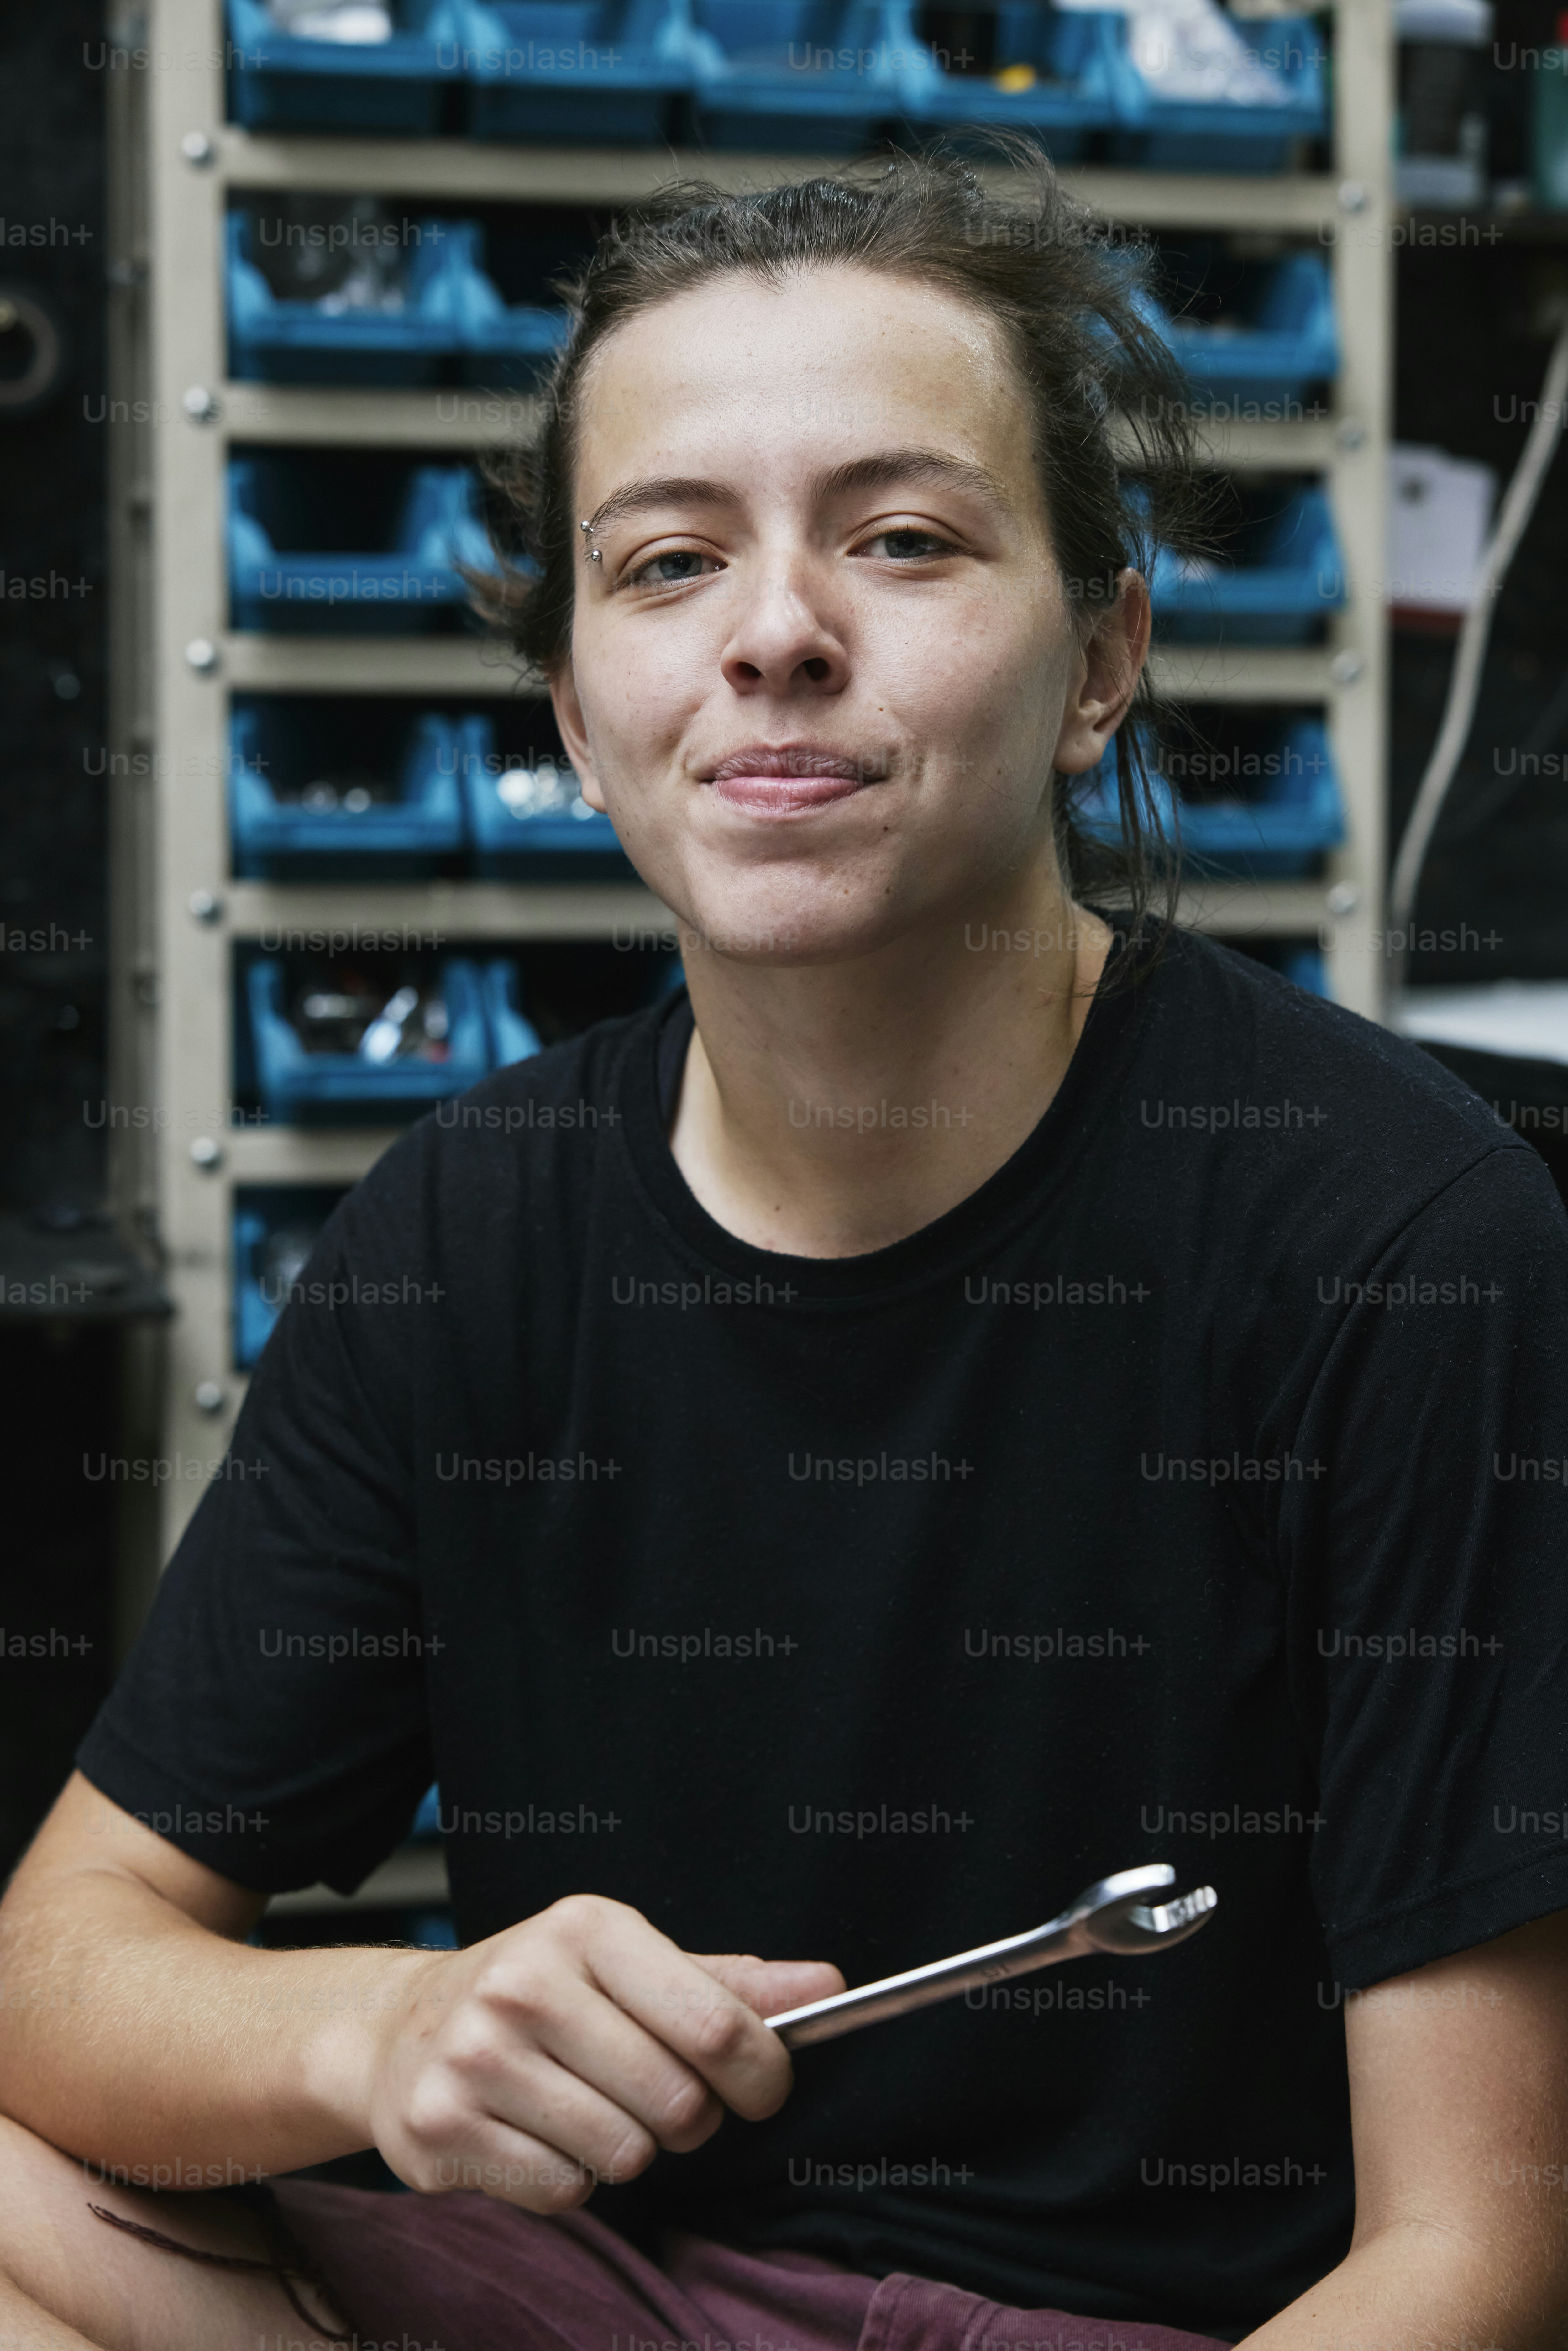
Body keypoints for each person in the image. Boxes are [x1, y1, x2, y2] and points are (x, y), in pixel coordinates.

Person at [3, 148, 1568, 2351]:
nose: (774, 634)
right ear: (574, 708)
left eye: (904, 538)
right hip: (602, 2298)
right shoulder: (472, 1232)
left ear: (1104, 656)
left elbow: (1480, 2261)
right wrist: (381, 2033)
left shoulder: (1400, 1240)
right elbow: (63, 1961)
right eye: (665, 563)